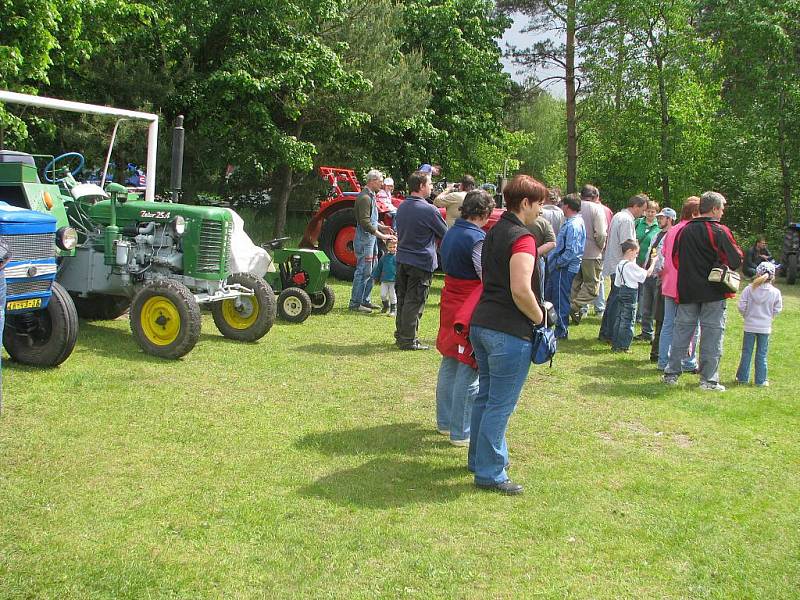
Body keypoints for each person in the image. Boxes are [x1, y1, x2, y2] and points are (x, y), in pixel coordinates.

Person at [468, 174, 546, 495]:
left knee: (485, 397)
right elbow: (520, 290)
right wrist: (540, 317)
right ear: (525, 203)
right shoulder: (523, 239)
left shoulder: (494, 230)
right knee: (500, 403)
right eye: (540, 203)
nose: (542, 210)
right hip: (508, 331)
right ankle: (490, 472)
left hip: (482, 323)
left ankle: (479, 459)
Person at [663, 191, 743, 391]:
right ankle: (708, 380)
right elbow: (735, 259)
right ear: (714, 209)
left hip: (688, 289)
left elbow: (675, 260)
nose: (723, 213)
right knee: (712, 335)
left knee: (682, 332)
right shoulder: (720, 231)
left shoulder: (684, 230)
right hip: (713, 291)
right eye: (722, 209)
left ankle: (671, 373)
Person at [435, 190, 495, 446]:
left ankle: (445, 422)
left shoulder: (450, 232)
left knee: (449, 361)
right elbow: (485, 277)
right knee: (469, 367)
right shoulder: (477, 239)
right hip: (467, 307)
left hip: (450, 302)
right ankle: (461, 431)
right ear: (483, 214)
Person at [394, 170, 448, 350]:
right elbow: (445, 233)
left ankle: (401, 335)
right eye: (430, 184)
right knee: (415, 300)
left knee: (402, 299)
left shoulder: (402, 206)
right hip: (420, 261)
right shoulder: (429, 210)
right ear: (422, 186)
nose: (432, 187)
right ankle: (408, 339)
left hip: (402, 259)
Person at [657, 198, 701, 372]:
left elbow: (662, 256)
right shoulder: (692, 230)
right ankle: (688, 361)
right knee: (692, 324)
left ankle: (663, 361)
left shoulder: (672, 230)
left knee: (668, 324)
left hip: (669, 283)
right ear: (695, 213)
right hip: (686, 285)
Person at [599, 194, 648, 342]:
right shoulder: (626, 220)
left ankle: (606, 332)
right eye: (643, 209)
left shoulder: (618, 215)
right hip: (620, 266)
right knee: (617, 302)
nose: (643, 213)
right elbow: (627, 246)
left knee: (613, 300)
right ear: (635, 206)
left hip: (614, 263)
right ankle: (611, 334)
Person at [349, 169, 396, 313]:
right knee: (363, 270)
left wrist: (382, 227)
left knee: (372, 270)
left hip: (371, 239)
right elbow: (365, 222)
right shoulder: (365, 198)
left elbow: (372, 219)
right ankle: (355, 303)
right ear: (372, 181)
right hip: (365, 240)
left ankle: (365, 300)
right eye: (380, 181)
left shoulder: (371, 196)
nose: (382, 184)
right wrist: (382, 236)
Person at [735, 261, 782, 386]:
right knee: (762, 354)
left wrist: (747, 316)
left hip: (749, 325)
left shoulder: (749, 289)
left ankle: (742, 378)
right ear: (773, 275)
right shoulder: (775, 292)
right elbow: (777, 309)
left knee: (747, 352)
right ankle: (761, 380)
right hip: (765, 327)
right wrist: (770, 317)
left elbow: (741, 306)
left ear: (757, 273)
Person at [545, 193, 585, 339]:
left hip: (564, 268)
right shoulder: (572, 222)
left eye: (562, 205)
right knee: (549, 296)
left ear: (567, 206)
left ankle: (561, 330)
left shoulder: (573, 225)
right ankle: (546, 325)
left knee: (560, 300)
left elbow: (571, 251)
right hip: (560, 267)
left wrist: (557, 263)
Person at [569, 184, 607, 323]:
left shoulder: (574, 206)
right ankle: (573, 307)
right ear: (596, 197)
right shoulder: (597, 209)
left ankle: (573, 312)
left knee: (575, 284)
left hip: (574, 252)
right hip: (591, 253)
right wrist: (600, 246)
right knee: (592, 287)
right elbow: (601, 233)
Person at [611, 239, 656, 352]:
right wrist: (653, 262)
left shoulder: (620, 264)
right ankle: (623, 345)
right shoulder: (630, 266)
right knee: (628, 320)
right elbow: (647, 274)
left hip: (621, 290)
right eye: (636, 253)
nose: (636, 256)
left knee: (619, 318)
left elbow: (617, 283)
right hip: (630, 293)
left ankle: (616, 343)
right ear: (630, 251)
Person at [648, 207, 677, 362]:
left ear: (670, 219)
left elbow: (664, 260)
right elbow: (652, 254)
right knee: (657, 315)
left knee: (663, 317)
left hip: (664, 280)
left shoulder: (672, 236)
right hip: (653, 277)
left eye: (662, 218)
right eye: (658, 218)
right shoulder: (657, 235)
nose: (658, 220)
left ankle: (658, 352)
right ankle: (656, 351)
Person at [634, 200, 660, 339]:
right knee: (635, 289)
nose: (650, 213)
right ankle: (638, 316)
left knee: (645, 293)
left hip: (649, 264)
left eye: (653, 211)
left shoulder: (659, 227)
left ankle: (641, 317)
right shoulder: (638, 223)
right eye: (648, 211)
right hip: (635, 261)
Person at [527, 214, 556, 299]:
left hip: (518, 258)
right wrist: (535, 253)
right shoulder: (543, 222)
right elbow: (552, 243)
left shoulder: (516, 221)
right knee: (538, 291)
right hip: (537, 259)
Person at [371, 239, 398, 315]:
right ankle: (386, 306)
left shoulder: (398, 258)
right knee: (383, 295)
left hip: (394, 281)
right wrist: (375, 277)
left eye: (394, 247)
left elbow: (401, 269)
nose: (392, 249)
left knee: (393, 295)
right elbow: (379, 268)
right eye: (390, 247)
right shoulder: (384, 257)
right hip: (384, 280)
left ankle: (393, 309)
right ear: (386, 247)